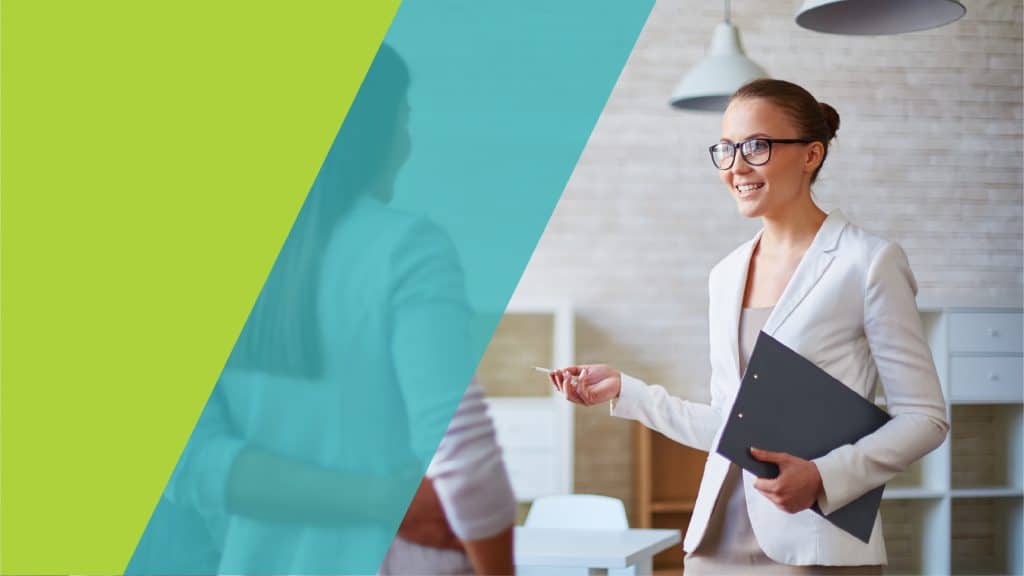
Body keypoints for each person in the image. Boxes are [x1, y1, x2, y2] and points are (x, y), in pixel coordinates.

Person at [129, 44, 515, 575]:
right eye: (401, 120)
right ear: (373, 134)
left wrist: (376, 497)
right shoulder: (406, 249)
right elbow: (464, 456)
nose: (407, 143)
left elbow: (192, 466)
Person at [550, 79, 949, 574]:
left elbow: (925, 417)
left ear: (811, 155)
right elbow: (730, 423)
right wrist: (625, 390)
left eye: (756, 146)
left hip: (813, 543)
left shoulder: (866, 263)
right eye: (726, 148)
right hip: (716, 544)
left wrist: (824, 476)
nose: (736, 166)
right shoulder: (726, 274)